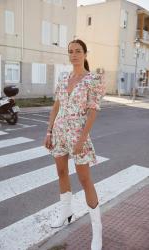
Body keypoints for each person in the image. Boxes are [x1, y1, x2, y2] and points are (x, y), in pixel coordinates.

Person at [44, 39, 105, 250]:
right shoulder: (63, 78)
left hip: (78, 135)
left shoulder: (92, 79)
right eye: (70, 52)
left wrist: (81, 139)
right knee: (61, 173)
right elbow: (55, 107)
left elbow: (93, 112)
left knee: (85, 179)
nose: (74, 55)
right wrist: (49, 131)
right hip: (59, 133)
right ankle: (66, 212)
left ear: (85, 54)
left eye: (78, 51)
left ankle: (97, 232)